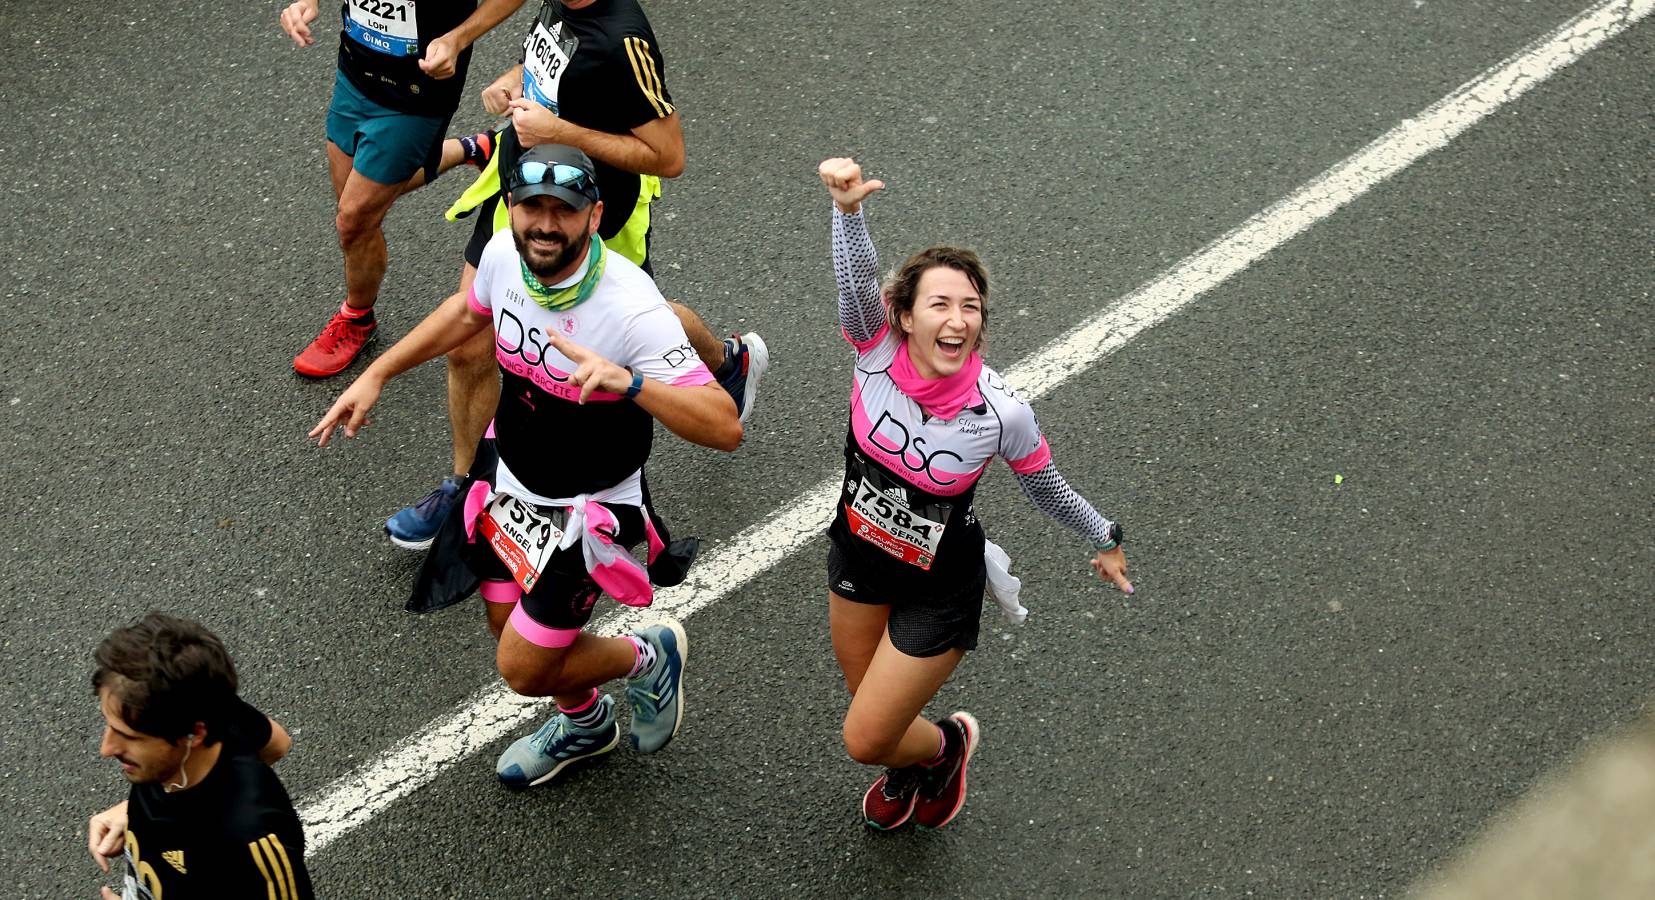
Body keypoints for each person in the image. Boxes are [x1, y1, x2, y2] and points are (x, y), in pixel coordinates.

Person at [312, 144, 742, 787]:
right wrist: (379, 371)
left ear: (594, 217)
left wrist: (628, 385)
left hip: (588, 510)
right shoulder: (503, 255)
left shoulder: (631, 307)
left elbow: (724, 426)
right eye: (531, 207)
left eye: (563, 211)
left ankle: (645, 657)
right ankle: (586, 724)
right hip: (508, 477)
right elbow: (467, 312)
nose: (545, 224)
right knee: (502, 622)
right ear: (511, 208)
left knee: (522, 668)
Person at [816, 158, 1136, 830]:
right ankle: (912, 759)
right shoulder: (872, 350)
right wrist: (847, 212)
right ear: (902, 316)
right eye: (938, 303)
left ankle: (942, 749)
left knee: (863, 738)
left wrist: (1105, 537)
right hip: (857, 559)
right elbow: (854, 288)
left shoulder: (1000, 413)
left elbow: (1046, 489)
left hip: (939, 587)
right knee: (865, 700)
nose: (957, 318)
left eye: (970, 307)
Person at [382, 0, 768, 549]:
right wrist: (513, 81)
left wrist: (560, 129)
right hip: (525, 189)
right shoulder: (562, 3)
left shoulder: (623, 38)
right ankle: (466, 486)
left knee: (637, 326)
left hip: (586, 214)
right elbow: (557, 66)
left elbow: (669, 154)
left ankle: (726, 364)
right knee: (469, 343)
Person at [279, 0, 527, 377]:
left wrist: (458, 39)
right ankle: (473, 148)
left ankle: (357, 317)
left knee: (353, 220)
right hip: (354, 72)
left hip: (416, 94)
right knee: (354, 200)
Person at [86, 613, 311, 899]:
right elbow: (277, 742)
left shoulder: (250, 840)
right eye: (110, 726)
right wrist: (133, 809)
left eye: (130, 737)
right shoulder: (212, 710)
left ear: (194, 735)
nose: (106, 749)